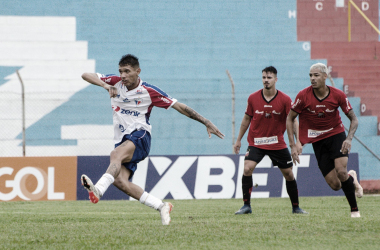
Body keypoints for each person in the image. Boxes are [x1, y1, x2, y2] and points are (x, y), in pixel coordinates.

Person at [80, 54, 224, 225]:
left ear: (138, 71)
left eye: (127, 71)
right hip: (123, 139)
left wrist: (206, 122)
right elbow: (85, 75)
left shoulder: (149, 91)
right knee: (120, 181)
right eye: (121, 71)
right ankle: (161, 206)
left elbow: (179, 106)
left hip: (140, 136)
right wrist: (105, 85)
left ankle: (99, 190)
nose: (123, 75)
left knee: (115, 154)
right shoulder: (115, 82)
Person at [287, 63, 363, 218]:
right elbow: (290, 118)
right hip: (317, 141)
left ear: (325, 76)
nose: (312, 79)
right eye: (310, 75)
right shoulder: (303, 96)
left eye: (316, 75)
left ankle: (354, 210)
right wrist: (294, 144)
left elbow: (354, 120)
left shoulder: (338, 95)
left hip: (336, 135)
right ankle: (352, 178)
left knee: (341, 171)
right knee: (335, 185)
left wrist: (348, 139)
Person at [234, 66, 308, 215]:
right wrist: (238, 140)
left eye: (269, 78)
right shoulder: (253, 98)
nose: (266, 80)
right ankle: (246, 206)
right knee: (247, 168)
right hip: (256, 142)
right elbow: (246, 118)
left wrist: (298, 142)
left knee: (289, 174)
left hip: (276, 143)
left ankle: (296, 207)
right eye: (264, 78)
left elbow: (293, 121)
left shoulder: (285, 99)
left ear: (275, 79)